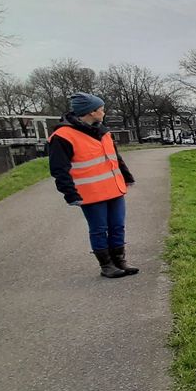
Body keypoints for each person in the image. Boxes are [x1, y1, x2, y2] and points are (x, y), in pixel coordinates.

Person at [48, 93, 138, 278]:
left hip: (114, 188)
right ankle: (106, 265)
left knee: (117, 226)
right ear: (90, 112)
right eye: (101, 109)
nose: (104, 112)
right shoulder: (62, 136)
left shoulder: (102, 130)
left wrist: (126, 176)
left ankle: (120, 261)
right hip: (90, 192)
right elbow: (59, 169)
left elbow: (114, 156)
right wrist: (70, 194)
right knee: (99, 229)